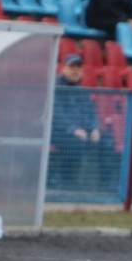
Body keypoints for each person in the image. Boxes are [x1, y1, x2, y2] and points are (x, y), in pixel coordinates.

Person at [49, 54, 103, 189]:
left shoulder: (81, 90)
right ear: (63, 69)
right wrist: (73, 129)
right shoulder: (56, 87)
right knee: (76, 143)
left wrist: (95, 128)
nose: (75, 70)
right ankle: (62, 180)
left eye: (78, 67)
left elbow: (91, 112)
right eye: (72, 67)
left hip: (81, 131)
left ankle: (105, 184)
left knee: (107, 141)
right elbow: (56, 114)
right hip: (57, 132)